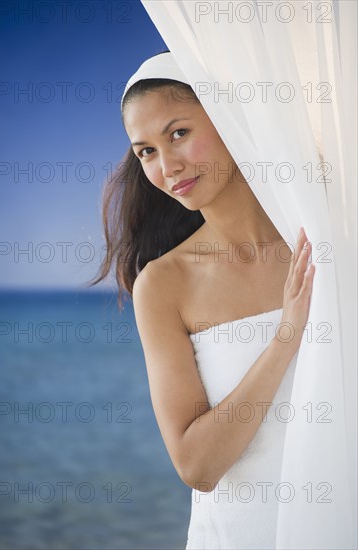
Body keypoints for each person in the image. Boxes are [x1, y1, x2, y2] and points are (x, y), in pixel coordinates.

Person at [88, 51, 315, 549]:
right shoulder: (164, 285)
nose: (167, 167)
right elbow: (197, 465)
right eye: (145, 151)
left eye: (178, 134)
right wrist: (284, 340)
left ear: (228, 116)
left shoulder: (322, 240)